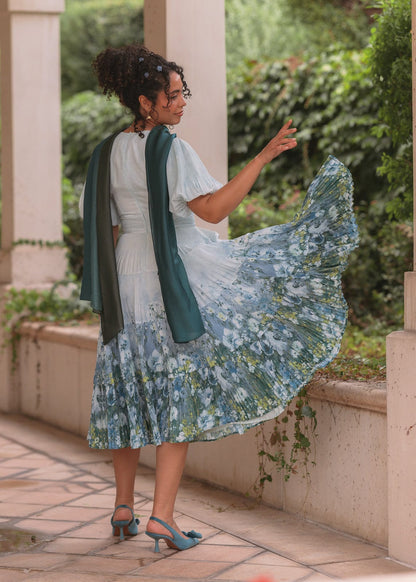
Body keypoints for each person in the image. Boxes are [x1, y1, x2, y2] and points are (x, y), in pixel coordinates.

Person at [80, 44, 358, 553]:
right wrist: (262, 157)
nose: (182, 102)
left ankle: (123, 508)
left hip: (125, 279)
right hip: (170, 275)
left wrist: (120, 281)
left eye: (182, 92)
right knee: (176, 392)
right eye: (173, 95)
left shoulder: (105, 153)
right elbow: (211, 210)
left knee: (128, 389)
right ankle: (162, 516)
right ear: (146, 103)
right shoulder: (170, 148)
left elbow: (111, 228)